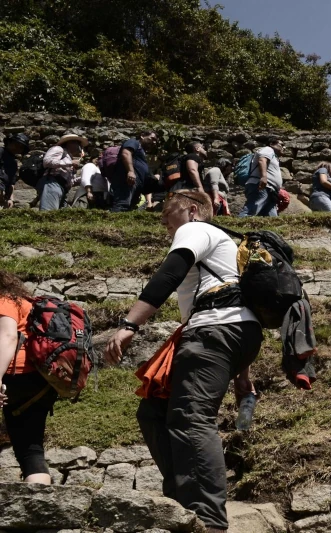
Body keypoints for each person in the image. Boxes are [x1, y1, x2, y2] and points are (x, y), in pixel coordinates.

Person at [104, 190, 262, 533]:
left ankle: (207, 518)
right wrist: (243, 373)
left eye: (167, 211)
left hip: (213, 331)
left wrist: (129, 325)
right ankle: (181, 496)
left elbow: (169, 274)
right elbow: (238, 300)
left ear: (192, 209)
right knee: (155, 409)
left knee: (192, 417)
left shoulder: (195, 228)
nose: (162, 219)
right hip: (234, 332)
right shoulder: (225, 245)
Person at [0, 271, 59, 485]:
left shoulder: (4, 301)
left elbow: (7, 336)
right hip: (40, 379)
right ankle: (36, 504)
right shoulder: (26, 302)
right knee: (30, 449)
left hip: (14, 374)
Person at [110, 130, 159, 212]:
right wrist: (130, 171)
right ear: (142, 136)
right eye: (152, 138)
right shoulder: (134, 142)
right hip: (127, 181)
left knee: (128, 207)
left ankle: (121, 223)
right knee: (122, 204)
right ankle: (112, 223)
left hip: (134, 184)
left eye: (155, 141)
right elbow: (126, 153)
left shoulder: (141, 151)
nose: (154, 142)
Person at [239, 136, 284, 218]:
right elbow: (262, 160)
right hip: (261, 185)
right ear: (271, 144)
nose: (284, 147)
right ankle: (238, 224)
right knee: (251, 210)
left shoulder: (273, 156)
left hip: (270, 190)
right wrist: (263, 177)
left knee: (272, 217)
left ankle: (271, 230)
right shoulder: (268, 149)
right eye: (281, 144)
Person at [40, 134, 87, 211]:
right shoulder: (58, 149)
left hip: (62, 187)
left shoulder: (68, 157)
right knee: (48, 211)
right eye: (77, 143)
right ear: (69, 143)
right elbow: (47, 161)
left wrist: (85, 178)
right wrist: (70, 162)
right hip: (52, 183)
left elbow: (69, 180)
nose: (80, 146)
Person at [0, 133, 30, 209]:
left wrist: (10, 199)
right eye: (16, 144)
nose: (18, 148)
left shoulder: (13, 163)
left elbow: (11, 183)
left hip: (3, 198)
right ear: (9, 142)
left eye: (21, 147)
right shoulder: (1, 152)